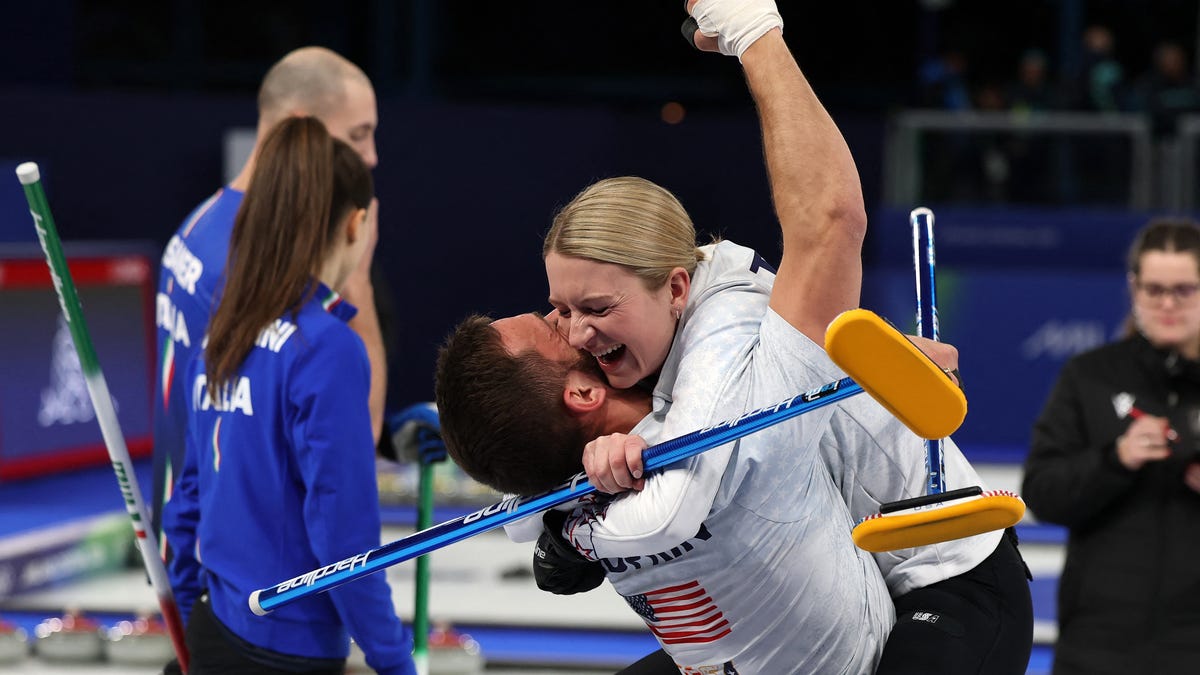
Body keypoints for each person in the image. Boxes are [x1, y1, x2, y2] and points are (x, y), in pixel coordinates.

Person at [436, 3, 1032, 674]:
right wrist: (561, 514)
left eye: (595, 306)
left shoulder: (735, 338)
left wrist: (757, 35)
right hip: (822, 580)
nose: (576, 332)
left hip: (939, 570)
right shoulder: (633, 362)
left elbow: (830, 219)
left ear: (677, 288)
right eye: (558, 309)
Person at [161, 116, 416, 675]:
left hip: (212, 628)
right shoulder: (328, 349)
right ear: (356, 225)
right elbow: (344, 535)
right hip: (286, 654)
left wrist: (183, 614)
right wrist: (395, 662)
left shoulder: (222, 328)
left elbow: (186, 498)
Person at [152, 46, 390, 562]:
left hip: (192, 530)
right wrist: (358, 281)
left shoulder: (202, 224)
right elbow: (358, 436)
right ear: (301, 130)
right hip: (238, 568)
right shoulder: (260, 265)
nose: (370, 157)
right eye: (357, 135)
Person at [1022, 218, 1200, 675]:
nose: (1167, 304)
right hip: (1099, 645)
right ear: (1133, 287)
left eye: (1184, 290)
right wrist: (1115, 459)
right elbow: (1042, 493)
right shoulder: (1091, 376)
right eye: (1153, 289)